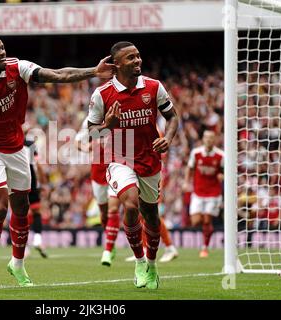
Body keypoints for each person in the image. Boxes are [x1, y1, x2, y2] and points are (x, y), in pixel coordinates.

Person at [0, 35, 114, 288]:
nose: (3, 52)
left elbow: (57, 74)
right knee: (0, 207)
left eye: (3, 47)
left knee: (22, 208)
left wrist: (93, 71)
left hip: (16, 148)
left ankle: (18, 264)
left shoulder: (18, 68)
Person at [87, 41, 179, 290]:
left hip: (150, 158)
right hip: (120, 157)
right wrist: (107, 124)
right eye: (131, 58)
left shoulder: (153, 86)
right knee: (129, 204)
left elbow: (172, 117)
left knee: (151, 215)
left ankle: (151, 264)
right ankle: (139, 261)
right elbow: (91, 134)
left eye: (138, 56)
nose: (138, 60)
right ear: (117, 64)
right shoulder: (102, 94)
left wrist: (167, 139)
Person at [75, 117, 121, 267]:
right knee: (104, 212)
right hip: (97, 172)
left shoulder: (120, 114)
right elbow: (77, 142)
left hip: (117, 167)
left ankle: (107, 249)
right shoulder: (90, 120)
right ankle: (111, 243)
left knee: (114, 209)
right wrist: (86, 147)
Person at [184, 130, 224, 258]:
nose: (209, 140)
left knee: (207, 220)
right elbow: (189, 168)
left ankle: (204, 247)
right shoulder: (196, 153)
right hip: (198, 192)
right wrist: (186, 182)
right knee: (195, 221)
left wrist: (222, 176)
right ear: (203, 139)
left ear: (215, 140)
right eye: (206, 137)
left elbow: (224, 171)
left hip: (213, 193)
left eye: (211, 138)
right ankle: (206, 234)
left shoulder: (220, 155)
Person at [24, 133, 48, 258]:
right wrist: (44, 183)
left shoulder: (9, 142)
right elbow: (38, 165)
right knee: (36, 211)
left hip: (16, 178)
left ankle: (24, 246)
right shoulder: (30, 144)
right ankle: (37, 240)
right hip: (31, 178)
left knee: (21, 213)